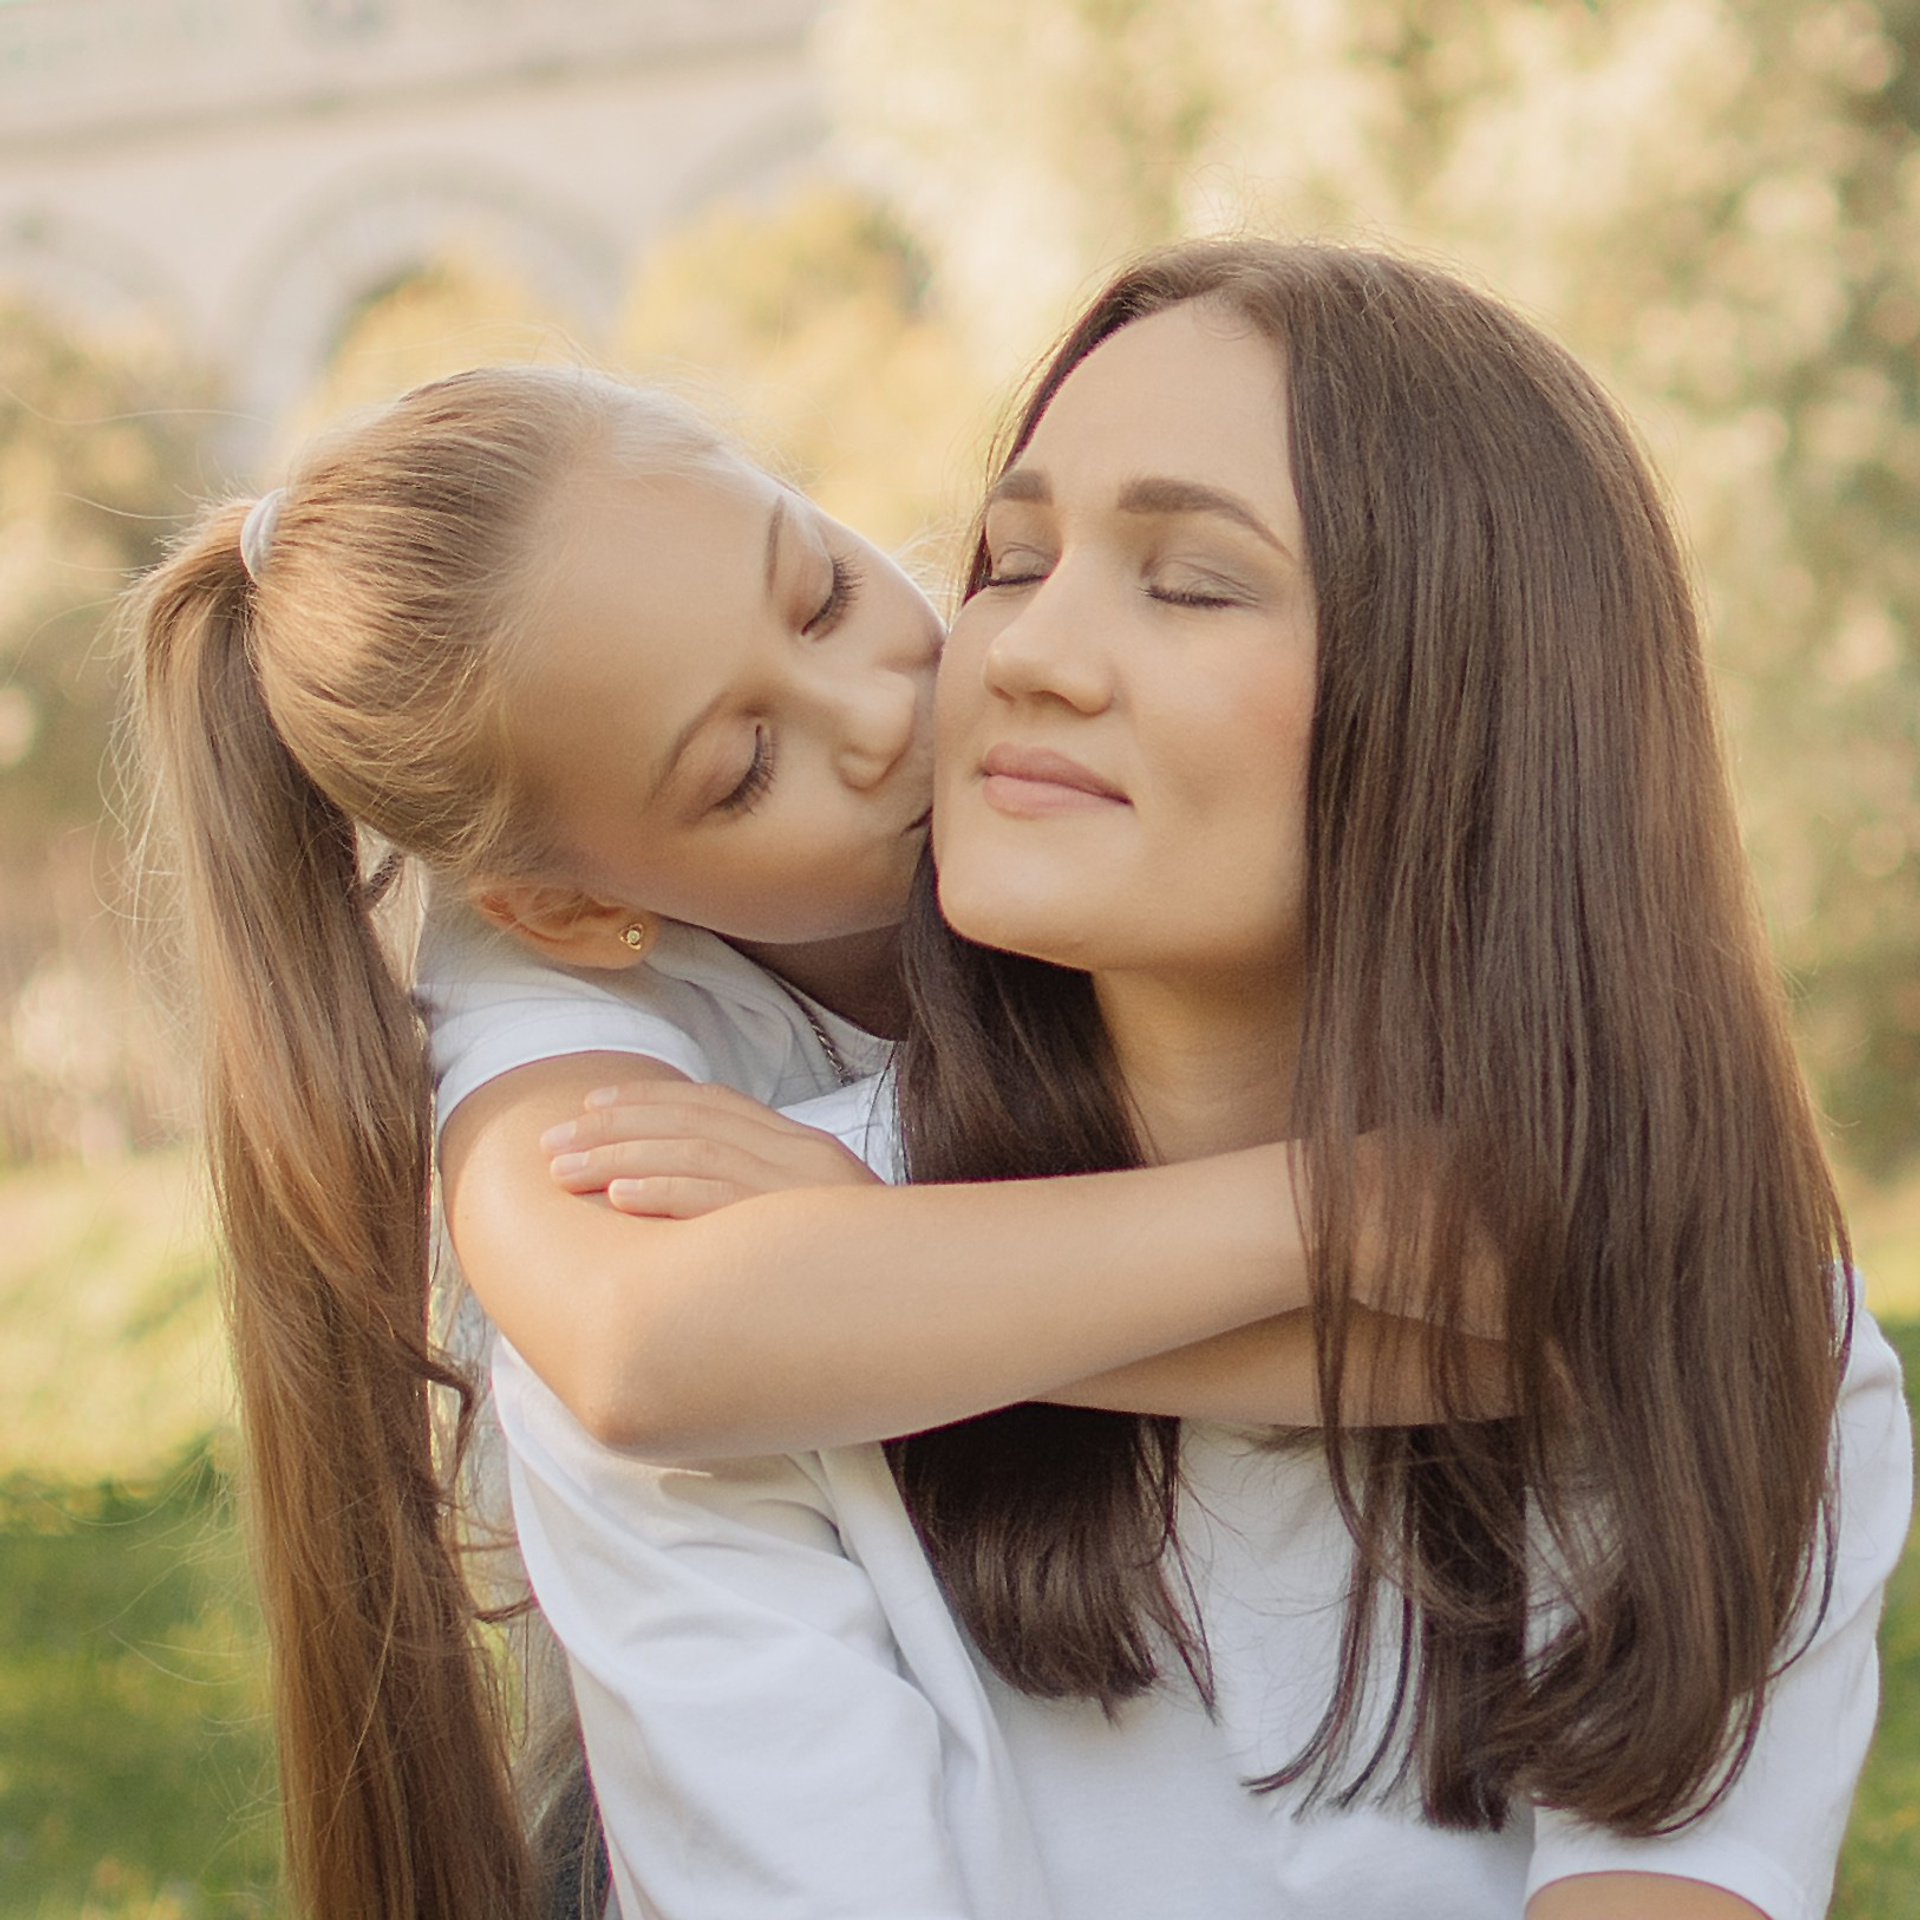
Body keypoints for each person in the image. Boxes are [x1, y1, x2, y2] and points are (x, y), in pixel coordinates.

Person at [443, 242, 1912, 1919]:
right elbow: (638, 1334)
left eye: (1192, 583)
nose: (1020, 654)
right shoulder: (728, 1269)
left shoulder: (1741, 1348)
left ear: (1469, 702)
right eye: (1010, 559)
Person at [125, 361, 1485, 1920]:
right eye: (742, 770)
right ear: (577, 907)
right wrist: (1353, 1218)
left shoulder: (1074, 722)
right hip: (764, 1768)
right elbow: (640, 1350)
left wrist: (873, 1239)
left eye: (827, 592)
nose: (879, 715)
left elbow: (1560, 1311)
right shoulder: (549, 1003)